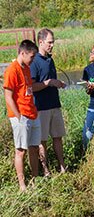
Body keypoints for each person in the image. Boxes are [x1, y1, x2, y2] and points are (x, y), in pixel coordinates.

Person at [3, 40, 41, 191]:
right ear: (22, 53)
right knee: (20, 150)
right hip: (20, 116)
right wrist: (19, 117)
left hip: (32, 113)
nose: (33, 60)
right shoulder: (12, 70)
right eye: (31, 56)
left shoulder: (26, 68)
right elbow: (8, 96)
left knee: (34, 148)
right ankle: (22, 185)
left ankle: (35, 180)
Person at [30, 28, 66, 176]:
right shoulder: (34, 61)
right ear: (41, 42)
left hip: (54, 104)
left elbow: (50, 81)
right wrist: (48, 83)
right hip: (41, 107)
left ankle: (62, 167)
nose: (52, 45)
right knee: (42, 140)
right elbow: (31, 87)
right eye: (49, 42)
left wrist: (58, 83)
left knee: (58, 137)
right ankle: (45, 171)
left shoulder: (50, 60)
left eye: (53, 42)